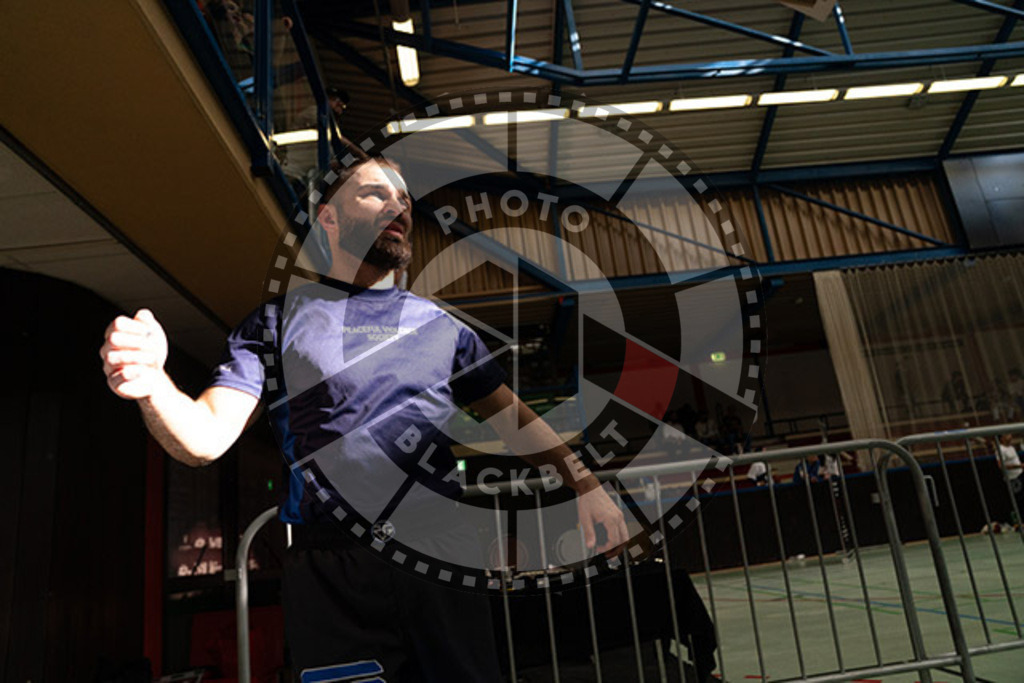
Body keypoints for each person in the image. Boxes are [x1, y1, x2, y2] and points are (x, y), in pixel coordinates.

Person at [100, 157, 628, 681]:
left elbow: (516, 422)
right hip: (333, 576)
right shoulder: (277, 325)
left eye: (403, 199)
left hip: (439, 558)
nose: (397, 206)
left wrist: (585, 485)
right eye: (375, 194)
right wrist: (154, 386)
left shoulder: (445, 329)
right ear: (328, 218)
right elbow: (204, 438)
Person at [993, 433, 1023, 530]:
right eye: (1007, 435)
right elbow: (1001, 466)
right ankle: (1019, 523)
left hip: (1020, 475)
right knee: (1018, 501)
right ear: (1001, 438)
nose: (1010, 436)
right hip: (1013, 479)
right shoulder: (1000, 450)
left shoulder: (1011, 448)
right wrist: (1019, 466)